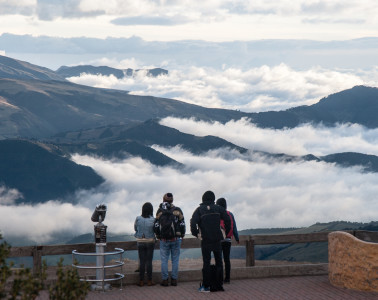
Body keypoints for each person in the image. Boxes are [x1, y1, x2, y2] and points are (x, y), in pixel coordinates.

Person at [190, 191, 231, 292]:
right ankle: (219, 285)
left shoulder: (199, 210)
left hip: (206, 240)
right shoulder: (218, 208)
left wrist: (196, 234)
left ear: (203, 199)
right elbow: (228, 219)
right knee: (219, 262)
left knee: (206, 263)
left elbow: (193, 222)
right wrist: (225, 232)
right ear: (213, 199)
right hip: (217, 239)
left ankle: (206, 286)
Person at [154, 193, 186, 287]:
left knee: (164, 260)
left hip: (164, 240)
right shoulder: (177, 210)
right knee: (175, 260)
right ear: (172, 200)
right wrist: (182, 234)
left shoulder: (160, 211)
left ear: (163, 200)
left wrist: (158, 235)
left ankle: (164, 280)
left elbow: (156, 225)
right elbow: (182, 223)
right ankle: (174, 280)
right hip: (175, 239)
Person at [216, 197, 239, 283]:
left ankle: (220, 278)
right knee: (227, 259)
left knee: (219, 260)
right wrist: (237, 238)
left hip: (218, 240)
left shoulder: (216, 214)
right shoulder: (230, 214)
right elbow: (235, 228)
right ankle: (227, 278)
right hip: (228, 240)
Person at [134, 202, 156, 287]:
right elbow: (155, 230)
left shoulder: (138, 218)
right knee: (149, 261)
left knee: (142, 261)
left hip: (140, 241)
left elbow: (135, 228)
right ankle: (150, 281)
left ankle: (141, 281)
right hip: (150, 241)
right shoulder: (153, 220)